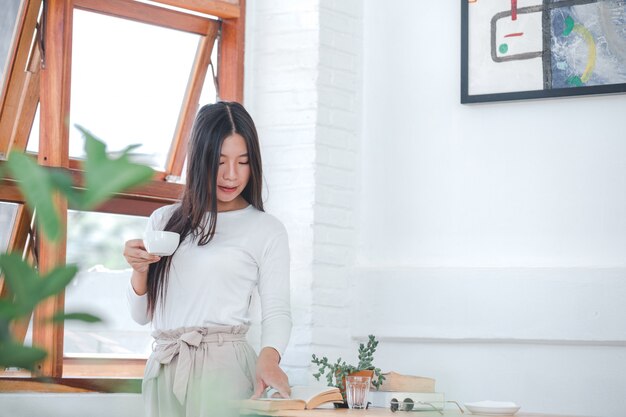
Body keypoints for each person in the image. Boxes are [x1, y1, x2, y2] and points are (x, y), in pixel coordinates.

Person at [123, 101, 292, 417]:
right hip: (165, 363)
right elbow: (141, 316)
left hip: (224, 368)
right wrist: (139, 271)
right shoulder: (164, 220)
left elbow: (278, 309)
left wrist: (269, 359)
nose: (231, 175)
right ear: (199, 160)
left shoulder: (265, 229)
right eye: (219, 162)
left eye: (242, 162)